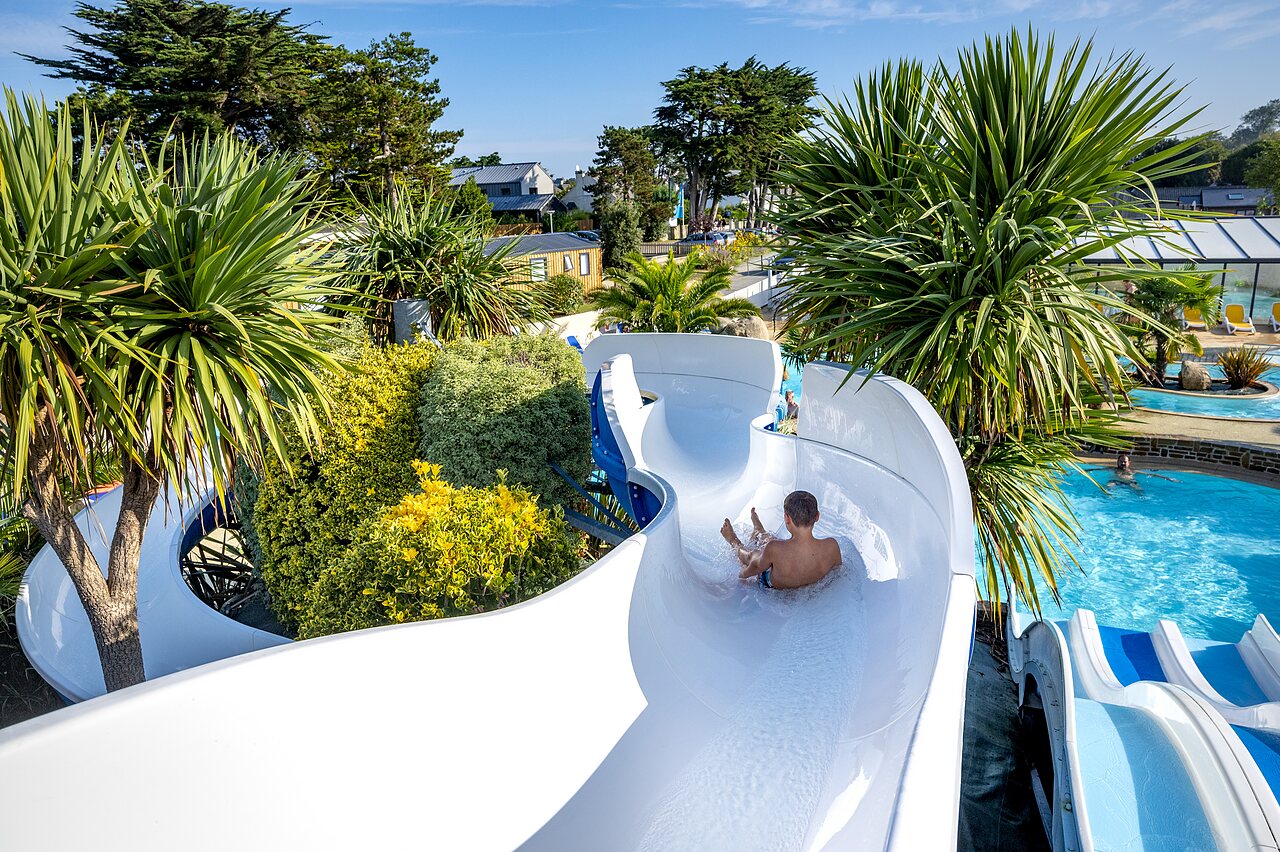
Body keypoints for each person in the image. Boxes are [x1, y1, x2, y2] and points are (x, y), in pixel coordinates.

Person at [719, 491, 841, 590]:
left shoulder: (775, 549)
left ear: (787, 518)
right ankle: (759, 531)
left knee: (755, 555)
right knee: (773, 543)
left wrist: (742, 575)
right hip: (789, 564)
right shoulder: (832, 546)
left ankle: (734, 541)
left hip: (770, 584)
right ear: (817, 516)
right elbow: (838, 572)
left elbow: (756, 567)